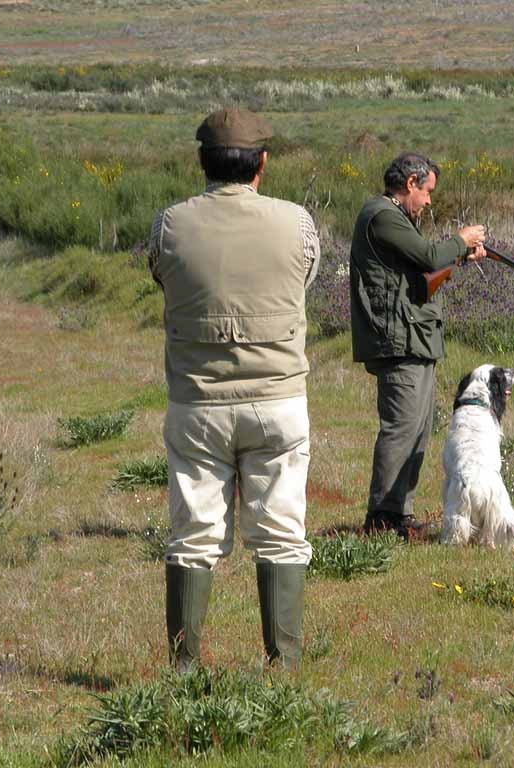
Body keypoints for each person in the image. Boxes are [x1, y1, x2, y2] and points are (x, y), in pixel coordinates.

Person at [149, 107, 319, 672]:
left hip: (197, 402)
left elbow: (160, 275)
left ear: (202, 161)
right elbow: (306, 278)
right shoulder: (296, 222)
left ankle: (184, 669)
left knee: (192, 535)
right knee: (281, 532)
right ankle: (283, 668)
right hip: (278, 400)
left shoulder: (170, 224)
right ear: (261, 162)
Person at [350, 152, 487, 539]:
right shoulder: (383, 215)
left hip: (415, 337)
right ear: (410, 182)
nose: (428, 201)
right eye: (427, 192)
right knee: (402, 428)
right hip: (398, 338)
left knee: (418, 429)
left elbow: (422, 273)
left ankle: (398, 513)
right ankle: (382, 517)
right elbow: (428, 256)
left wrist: (458, 257)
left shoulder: (395, 217)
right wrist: (460, 241)